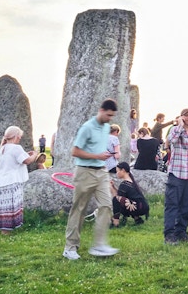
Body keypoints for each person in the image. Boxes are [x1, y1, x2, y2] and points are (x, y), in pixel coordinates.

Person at [63, 99, 120, 260]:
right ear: (101, 110)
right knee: (79, 209)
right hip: (84, 172)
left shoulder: (107, 128)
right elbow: (75, 151)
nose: (110, 118)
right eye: (108, 115)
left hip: (101, 172)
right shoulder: (87, 128)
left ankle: (99, 245)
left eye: (112, 116)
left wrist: (103, 157)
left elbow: (99, 150)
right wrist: (96, 156)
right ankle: (70, 247)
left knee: (106, 205)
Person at [164, 108, 188, 245]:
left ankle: (181, 232)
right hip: (176, 173)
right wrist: (180, 125)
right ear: (181, 117)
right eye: (186, 115)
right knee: (172, 204)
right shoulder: (175, 130)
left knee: (185, 205)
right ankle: (169, 234)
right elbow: (172, 141)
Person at [0, 126, 40, 235]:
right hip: (12, 181)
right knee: (12, 206)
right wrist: (34, 155)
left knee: (4, 208)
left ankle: (4, 231)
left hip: (2, 181)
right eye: (19, 137)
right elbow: (27, 161)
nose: (20, 139)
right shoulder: (16, 148)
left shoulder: (3, 148)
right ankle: (8, 231)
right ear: (16, 136)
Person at [109, 162, 149, 227]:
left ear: (123, 170)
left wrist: (111, 188)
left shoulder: (124, 184)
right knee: (128, 201)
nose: (117, 173)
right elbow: (121, 197)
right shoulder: (131, 181)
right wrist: (113, 187)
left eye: (117, 171)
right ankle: (137, 219)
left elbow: (117, 198)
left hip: (138, 207)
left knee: (116, 200)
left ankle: (115, 222)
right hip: (142, 207)